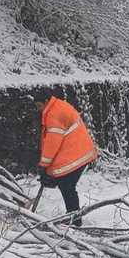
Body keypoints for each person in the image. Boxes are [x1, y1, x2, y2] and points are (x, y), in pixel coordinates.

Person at [37, 95, 98, 226]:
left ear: (46, 101)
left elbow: (52, 143)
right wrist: (48, 171)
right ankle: (73, 217)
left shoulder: (53, 114)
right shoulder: (58, 106)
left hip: (76, 153)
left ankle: (75, 220)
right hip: (80, 149)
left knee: (67, 185)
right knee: (66, 185)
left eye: (39, 106)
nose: (39, 109)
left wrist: (43, 166)